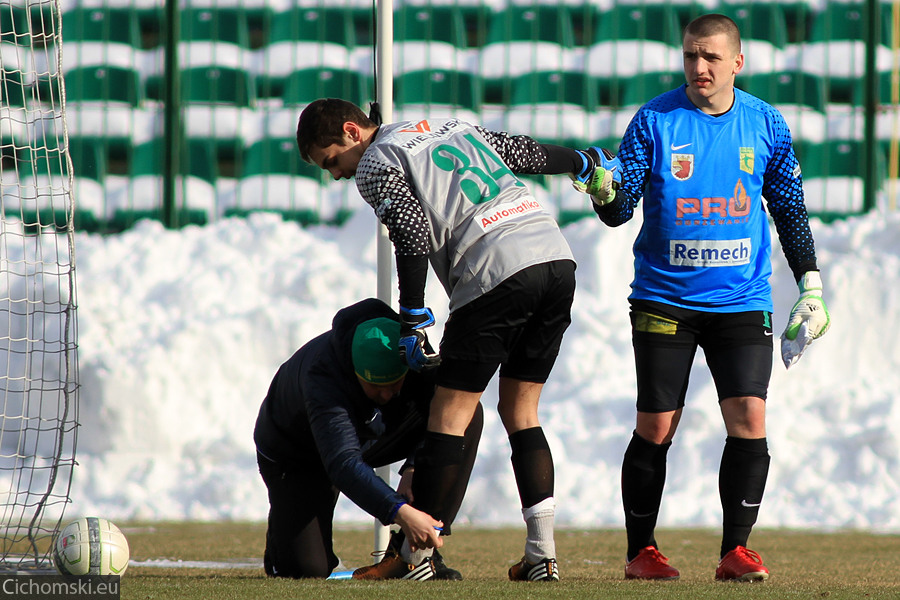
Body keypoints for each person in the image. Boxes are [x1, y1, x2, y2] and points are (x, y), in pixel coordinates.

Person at [295, 99, 615, 581]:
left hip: (495, 270)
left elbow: (411, 231)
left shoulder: (377, 163)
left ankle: (415, 560)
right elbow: (521, 152)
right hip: (554, 258)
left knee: (449, 415)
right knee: (522, 412)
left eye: (332, 161)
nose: (337, 175)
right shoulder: (446, 125)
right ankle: (540, 557)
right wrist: (580, 162)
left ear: (351, 132)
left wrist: (412, 315)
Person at [577, 14, 831, 582]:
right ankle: (641, 552)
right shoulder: (654, 121)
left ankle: (735, 552)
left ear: (737, 62)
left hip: (742, 300)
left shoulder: (765, 123)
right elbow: (621, 211)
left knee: (748, 415)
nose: (700, 67)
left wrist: (810, 286)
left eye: (712, 57)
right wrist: (602, 190)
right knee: (657, 423)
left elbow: (789, 207)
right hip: (664, 300)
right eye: (692, 55)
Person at [253, 297, 483, 580]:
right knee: (307, 570)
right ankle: (282, 536)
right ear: (355, 373)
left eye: (393, 384)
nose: (386, 395)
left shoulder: (409, 350)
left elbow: (442, 408)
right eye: (376, 386)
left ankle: (416, 555)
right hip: (299, 454)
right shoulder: (324, 377)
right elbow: (342, 462)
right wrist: (401, 512)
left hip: (366, 435)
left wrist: (414, 465)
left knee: (462, 411)